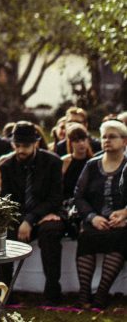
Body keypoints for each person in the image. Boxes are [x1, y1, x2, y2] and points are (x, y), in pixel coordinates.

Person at [0, 120, 65, 303]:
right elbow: (7, 200)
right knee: (0, 233)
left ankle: (52, 292)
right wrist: (22, 220)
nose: (20, 150)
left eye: (25, 146)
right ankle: (5, 292)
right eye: (16, 145)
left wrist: (31, 219)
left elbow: (55, 198)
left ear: (36, 143)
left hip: (47, 213)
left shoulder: (53, 162)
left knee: (50, 232)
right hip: (19, 215)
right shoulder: (7, 165)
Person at [73, 119, 127, 310]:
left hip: (122, 224)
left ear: (125, 141)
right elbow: (78, 196)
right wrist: (92, 217)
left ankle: (101, 295)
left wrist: (124, 213)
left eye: (112, 137)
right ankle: (84, 294)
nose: (106, 140)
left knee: (120, 237)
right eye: (104, 137)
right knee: (86, 236)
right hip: (95, 220)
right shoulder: (92, 164)